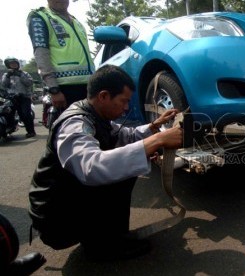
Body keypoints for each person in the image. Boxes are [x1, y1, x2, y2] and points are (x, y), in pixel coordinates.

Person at [28, 65, 183, 261]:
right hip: (56, 221)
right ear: (103, 96)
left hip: (68, 204)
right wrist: (157, 141)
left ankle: (109, 237)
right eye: (123, 101)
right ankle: (104, 246)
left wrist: (154, 127)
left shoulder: (96, 116)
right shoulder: (75, 124)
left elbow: (125, 135)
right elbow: (91, 168)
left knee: (127, 163)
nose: (126, 107)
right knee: (119, 168)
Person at [27, 0, 94, 111]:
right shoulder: (39, 17)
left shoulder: (76, 21)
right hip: (64, 88)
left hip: (87, 85)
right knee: (69, 126)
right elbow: (41, 54)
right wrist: (54, 89)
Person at [1, 57, 36, 138]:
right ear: (8, 65)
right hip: (11, 98)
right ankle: (8, 129)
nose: (13, 65)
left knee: (25, 114)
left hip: (24, 97)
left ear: (18, 64)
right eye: (11, 64)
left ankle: (31, 131)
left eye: (15, 63)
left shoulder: (24, 73)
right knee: (8, 113)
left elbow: (29, 83)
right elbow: (3, 85)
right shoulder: (6, 75)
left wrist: (20, 75)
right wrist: (8, 76)